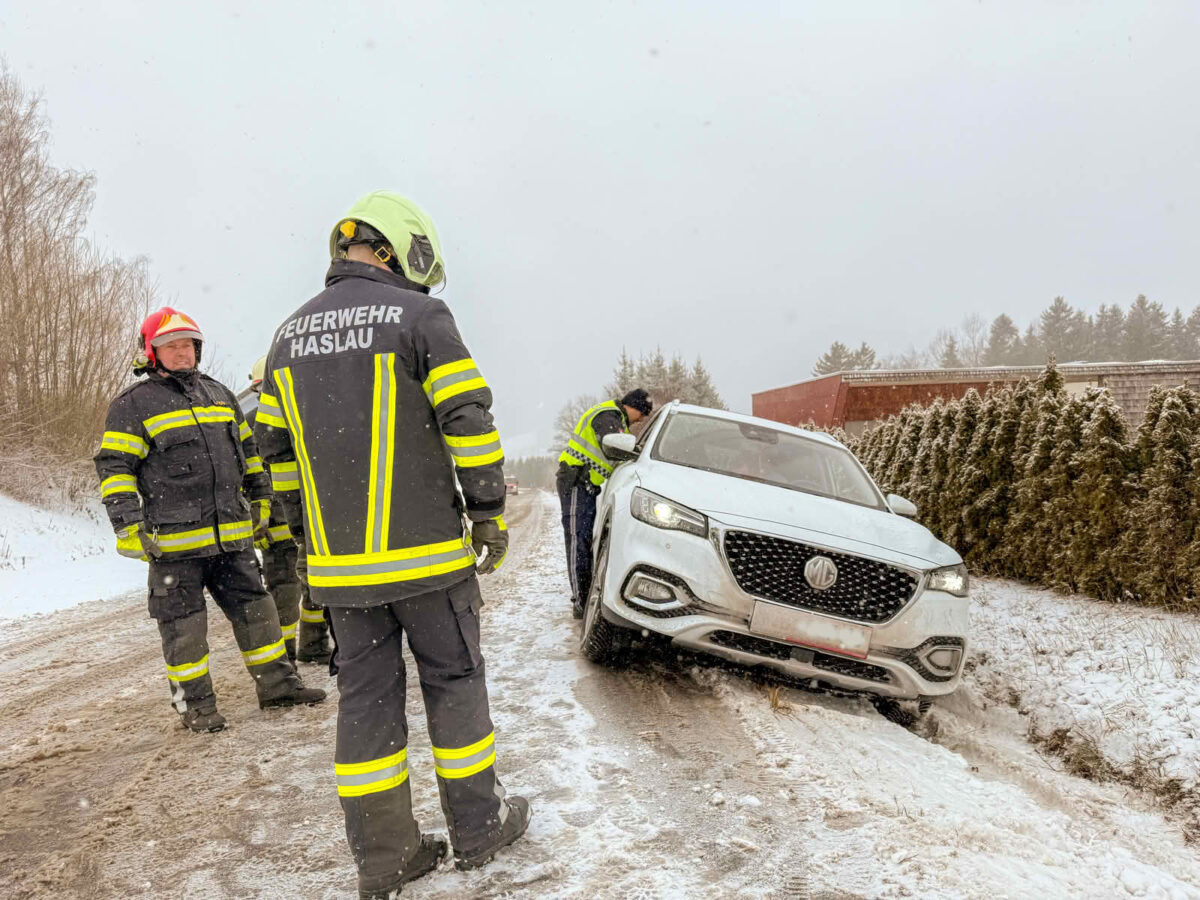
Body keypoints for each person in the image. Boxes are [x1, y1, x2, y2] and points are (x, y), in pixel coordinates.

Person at [253, 191, 529, 898]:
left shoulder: (285, 337)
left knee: (367, 707)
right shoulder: (422, 316)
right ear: (407, 249)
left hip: (343, 576)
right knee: (455, 686)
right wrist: (489, 510)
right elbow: (467, 420)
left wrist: (311, 538)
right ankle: (477, 828)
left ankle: (384, 857)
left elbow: (277, 458)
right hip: (429, 560)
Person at [94, 308, 325, 734]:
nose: (182, 353)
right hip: (174, 548)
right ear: (152, 353)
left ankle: (278, 686)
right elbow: (115, 468)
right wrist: (128, 526)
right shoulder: (133, 406)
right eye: (171, 346)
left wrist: (261, 499)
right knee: (185, 632)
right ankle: (196, 708)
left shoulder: (219, 395)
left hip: (232, 540)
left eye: (188, 345)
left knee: (259, 613)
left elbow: (250, 454)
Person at [245, 356, 333, 664]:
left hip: (293, 521)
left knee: (305, 585)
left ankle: (310, 644)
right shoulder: (287, 419)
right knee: (293, 587)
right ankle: (292, 651)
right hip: (289, 522)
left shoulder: (264, 421)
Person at [557, 390, 653, 618]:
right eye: (641, 413)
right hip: (576, 482)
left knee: (583, 542)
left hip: (586, 486)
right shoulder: (608, 415)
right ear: (632, 405)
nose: (641, 419)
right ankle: (580, 602)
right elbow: (616, 445)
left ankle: (583, 594)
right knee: (577, 542)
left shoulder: (617, 420)